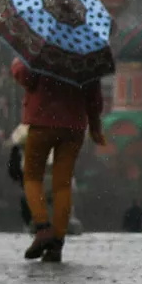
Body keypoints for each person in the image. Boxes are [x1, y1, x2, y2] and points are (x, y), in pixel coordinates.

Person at [11, 59, 105, 262]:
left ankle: (43, 228)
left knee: (32, 177)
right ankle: (57, 244)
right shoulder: (85, 50)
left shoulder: (42, 47)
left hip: (41, 121)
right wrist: (95, 126)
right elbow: (93, 94)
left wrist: (17, 64)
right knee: (62, 184)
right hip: (73, 125)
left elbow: (26, 77)